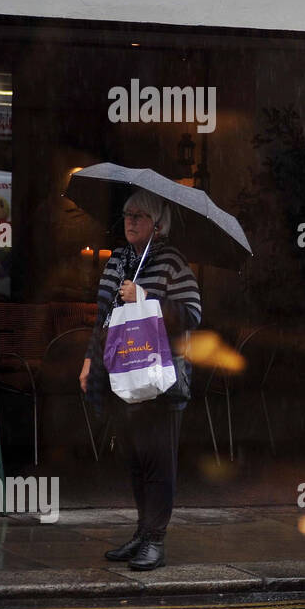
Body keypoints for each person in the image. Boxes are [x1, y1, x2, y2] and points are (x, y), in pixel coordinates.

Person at [78, 190, 201, 570]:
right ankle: (141, 532)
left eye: (139, 216)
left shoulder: (172, 262)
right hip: (122, 373)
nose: (130, 221)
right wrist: (88, 360)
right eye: (127, 214)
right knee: (133, 457)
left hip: (157, 376)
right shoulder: (117, 261)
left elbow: (192, 314)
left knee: (158, 459)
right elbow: (102, 318)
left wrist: (144, 296)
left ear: (158, 224)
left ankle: (155, 540)